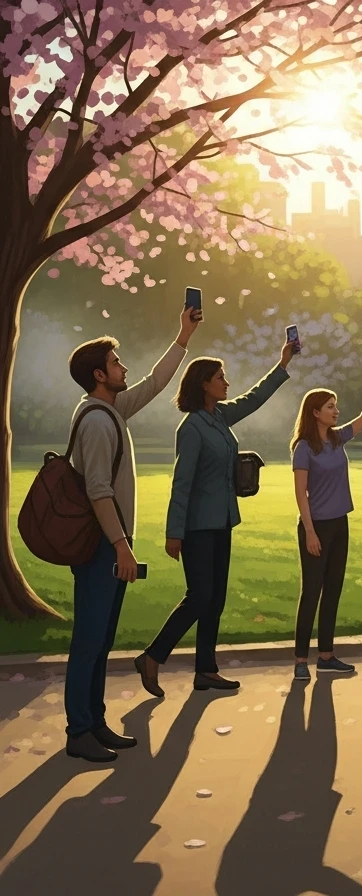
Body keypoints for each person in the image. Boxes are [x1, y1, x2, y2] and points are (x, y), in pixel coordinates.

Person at [63, 306, 200, 762]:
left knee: (101, 638)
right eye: (117, 363)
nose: (125, 368)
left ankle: (95, 721)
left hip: (112, 543)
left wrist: (182, 336)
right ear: (100, 374)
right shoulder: (99, 421)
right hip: (104, 545)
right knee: (89, 639)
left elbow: (155, 384)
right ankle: (79, 730)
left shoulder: (109, 407)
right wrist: (121, 545)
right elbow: (98, 490)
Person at [134, 338, 296, 697]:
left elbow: (254, 398)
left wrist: (282, 364)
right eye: (220, 377)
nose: (227, 383)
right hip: (196, 527)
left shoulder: (220, 417)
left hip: (222, 521)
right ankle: (152, 657)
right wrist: (173, 532)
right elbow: (182, 483)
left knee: (216, 599)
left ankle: (206, 670)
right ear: (204, 384)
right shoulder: (190, 428)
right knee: (200, 595)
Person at [289, 369, 362, 680]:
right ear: (315, 412)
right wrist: (309, 532)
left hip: (339, 524)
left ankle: (327, 656)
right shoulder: (303, 447)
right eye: (331, 406)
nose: (336, 410)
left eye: (336, 406)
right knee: (311, 593)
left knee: (333, 590)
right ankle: (300, 661)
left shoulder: (336, 437)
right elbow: (300, 493)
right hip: (315, 526)